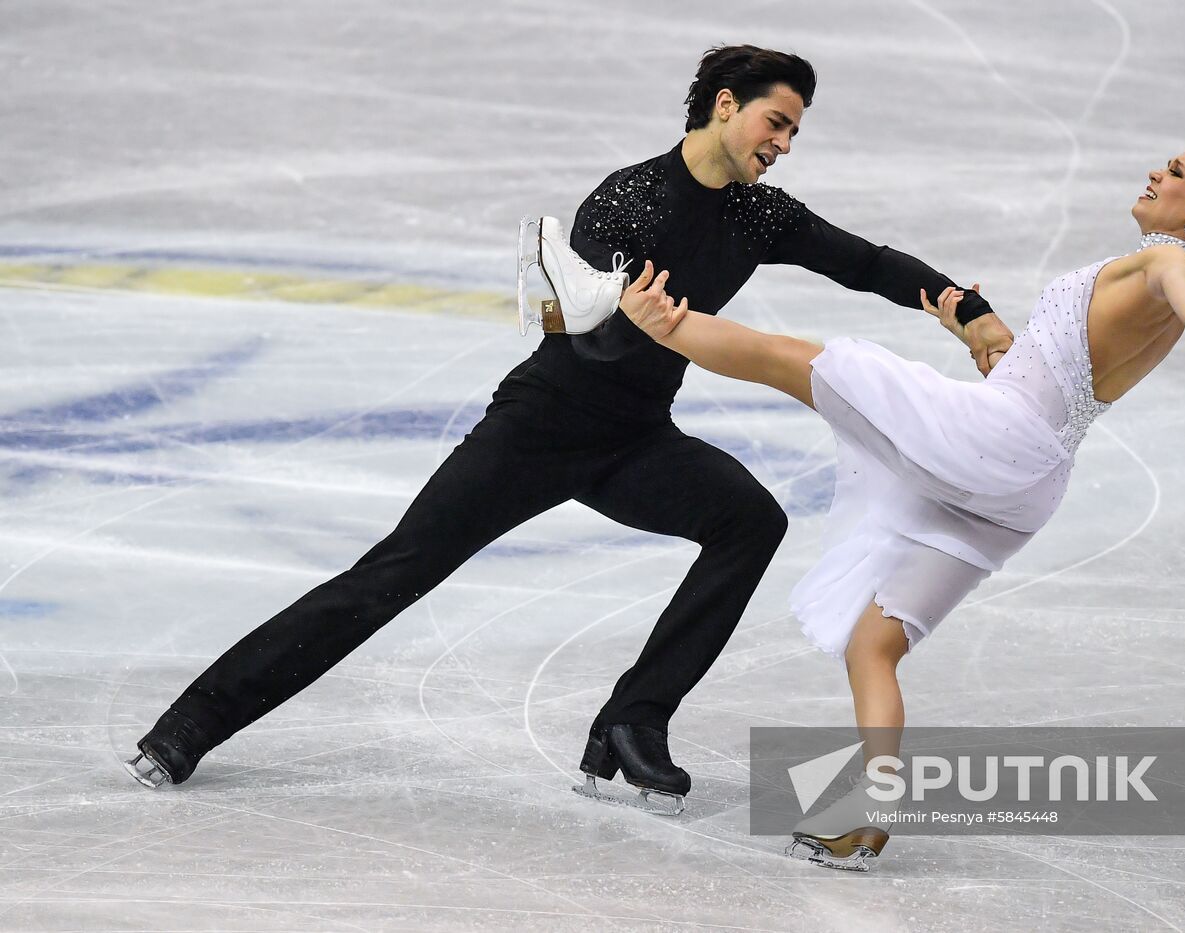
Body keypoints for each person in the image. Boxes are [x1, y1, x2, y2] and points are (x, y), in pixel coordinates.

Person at [124, 45, 1014, 814]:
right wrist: (621, 315)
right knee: (389, 577)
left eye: (793, 135)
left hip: (633, 439)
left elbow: (864, 262)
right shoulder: (627, 200)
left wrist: (960, 305)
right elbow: (576, 329)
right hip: (539, 429)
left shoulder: (759, 215)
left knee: (750, 520)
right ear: (725, 105)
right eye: (774, 124)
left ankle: (631, 720)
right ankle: (189, 725)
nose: (781, 147)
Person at [614, 141, 1185, 861]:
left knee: (796, 361)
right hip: (1027, 481)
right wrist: (976, 338)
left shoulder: (1166, 260)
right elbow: (1058, 374)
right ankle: (867, 809)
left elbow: (1179, 279)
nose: (1155, 173)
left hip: (994, 439)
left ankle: (643, 313)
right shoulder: (1149, 293)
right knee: (873, 645)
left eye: (1174, 173)